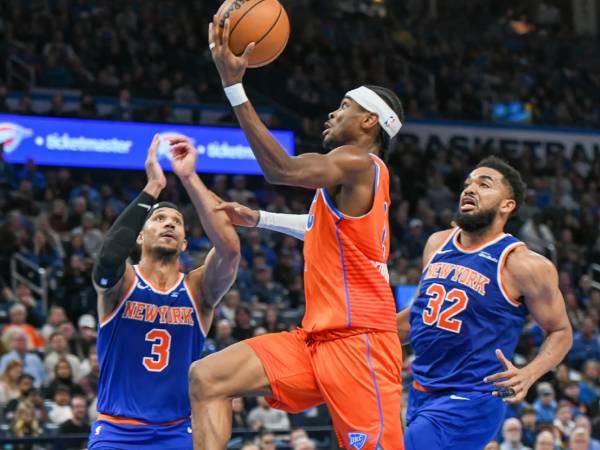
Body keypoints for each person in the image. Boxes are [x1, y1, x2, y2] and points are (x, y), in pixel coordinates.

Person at [191, 15, 406, 450]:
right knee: (207, 377)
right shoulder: (353, 181)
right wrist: (260, 219)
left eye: (345, 106)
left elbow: (281, 169)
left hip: (360, 342)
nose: (333, 111)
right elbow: (319, 229)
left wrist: (235, 87)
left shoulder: (359, 163)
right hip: (314, 341)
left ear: (370, 123)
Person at [395, 157, 572, 449]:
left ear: (507, 205)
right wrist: (365, 334)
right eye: (468, 184)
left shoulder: (523, 264)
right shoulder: (437, 243)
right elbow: (420, 315)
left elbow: (561, 331)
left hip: (473, 397)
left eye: (483, 184)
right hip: (421, 391)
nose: (470, 189)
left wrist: (528, 374)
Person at [86, 135, 240, 449]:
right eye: (159, 219)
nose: (169, 223)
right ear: (139, 237)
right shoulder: (125, 282)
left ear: (185, 243)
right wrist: (153, 186)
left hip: (176, 431)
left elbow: (230, 250)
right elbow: (106, 261)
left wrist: (188, 177)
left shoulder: (198, 288)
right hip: (117, 431)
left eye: (177, 222)